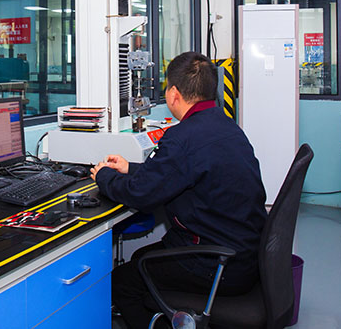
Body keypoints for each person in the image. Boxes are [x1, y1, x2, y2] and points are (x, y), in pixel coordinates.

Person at [91, 51, 267, 328]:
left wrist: (104, 177)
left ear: (174, 94)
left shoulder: (183, 137)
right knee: (141, 259)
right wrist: (130, 168)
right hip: (244, 254)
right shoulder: (226, 126)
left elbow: (141, 195)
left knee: (123, 281)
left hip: (217, 264)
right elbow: (176, 173)